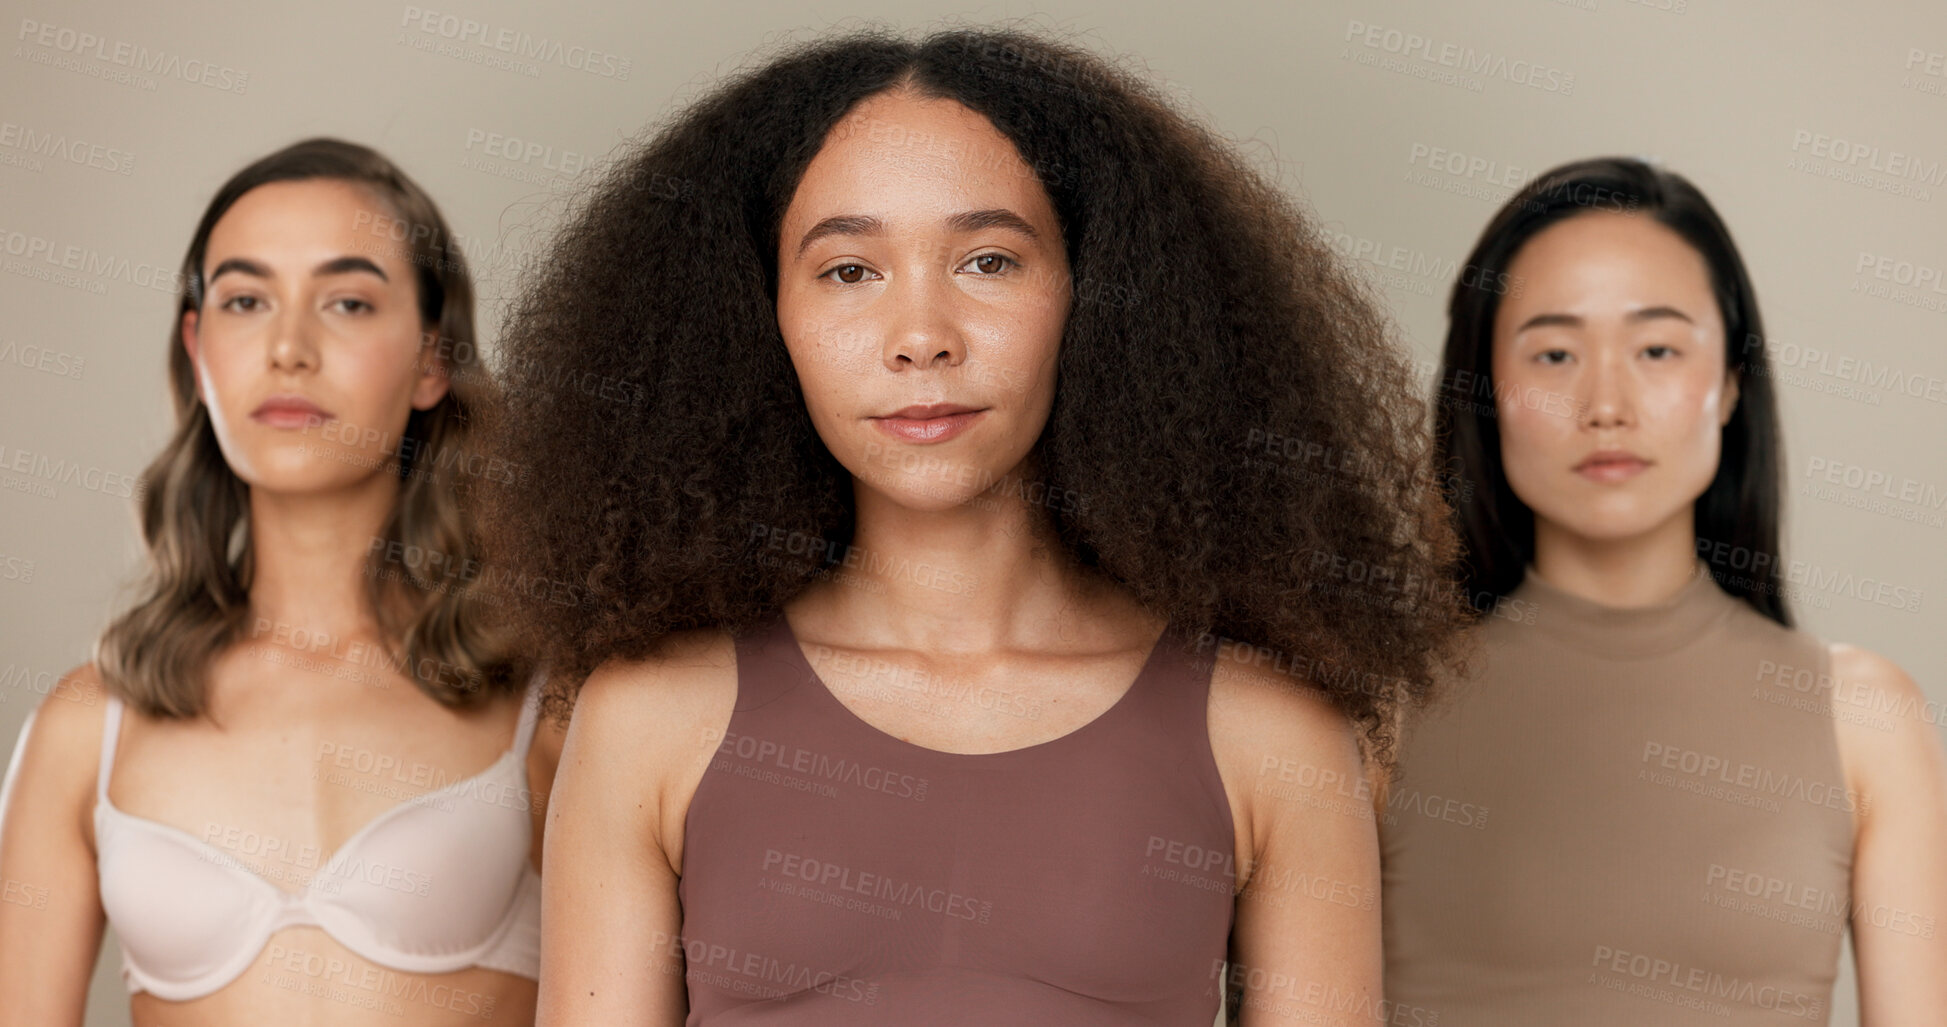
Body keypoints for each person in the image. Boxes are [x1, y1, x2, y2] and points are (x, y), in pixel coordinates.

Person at [473, 25, 1472, 1026]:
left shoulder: (1271, 732)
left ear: (1099, 297)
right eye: (849, 271)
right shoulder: (648, 718)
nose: (921, 339)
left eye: (989, 260)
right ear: (754, 315)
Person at [0, 137, 566, 1027]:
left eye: (346, 300)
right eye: (245, 299)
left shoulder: (545, 699)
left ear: (431, 359)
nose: (289, 348)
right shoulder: (86, 726)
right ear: (198, 349)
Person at [1380, 156, 1947, 1025]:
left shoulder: (1865, 716)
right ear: (1485, 393)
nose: (1606, 402)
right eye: (1554, 352)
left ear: (1727, 386)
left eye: (1655, 348)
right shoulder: (1383, 706)